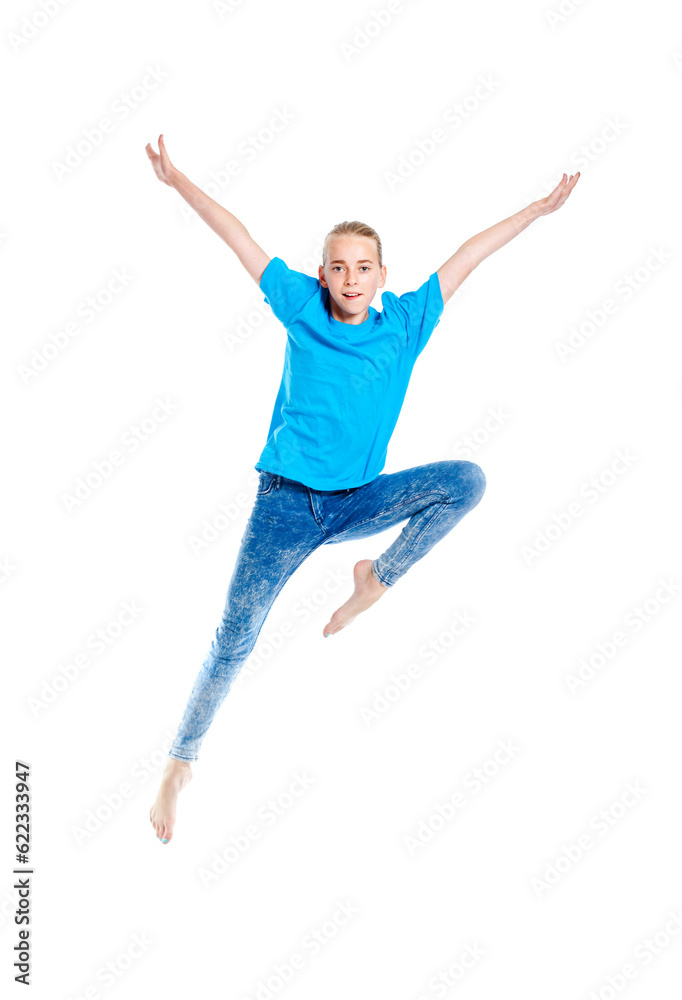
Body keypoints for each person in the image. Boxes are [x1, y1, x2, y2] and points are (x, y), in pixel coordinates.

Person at [145, 134, 579, 843]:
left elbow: (468, 255)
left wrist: (536, 209)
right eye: (338, 267)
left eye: (363, 268)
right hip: (284, 506)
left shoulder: (406, 323)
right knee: (234, 637)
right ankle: (179, 763)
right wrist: (177, 180)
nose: (350, 278)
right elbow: (238, 235)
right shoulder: (300, 306)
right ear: (321, 274)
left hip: (358, 501)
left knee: (467, 481)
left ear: (383, 276)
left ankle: (376, 578)